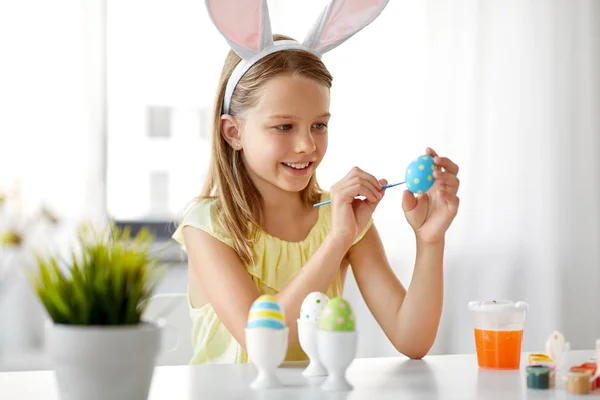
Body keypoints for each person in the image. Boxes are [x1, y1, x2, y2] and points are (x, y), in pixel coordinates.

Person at [172, 0, 460, 364]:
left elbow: (412, 339)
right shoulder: (207, 225)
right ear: (233, 132)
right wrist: (336, 241)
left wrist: (430, 240)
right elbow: (261, 341)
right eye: (284, 126)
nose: (307, 144)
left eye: (319, 125)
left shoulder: (341, 218)